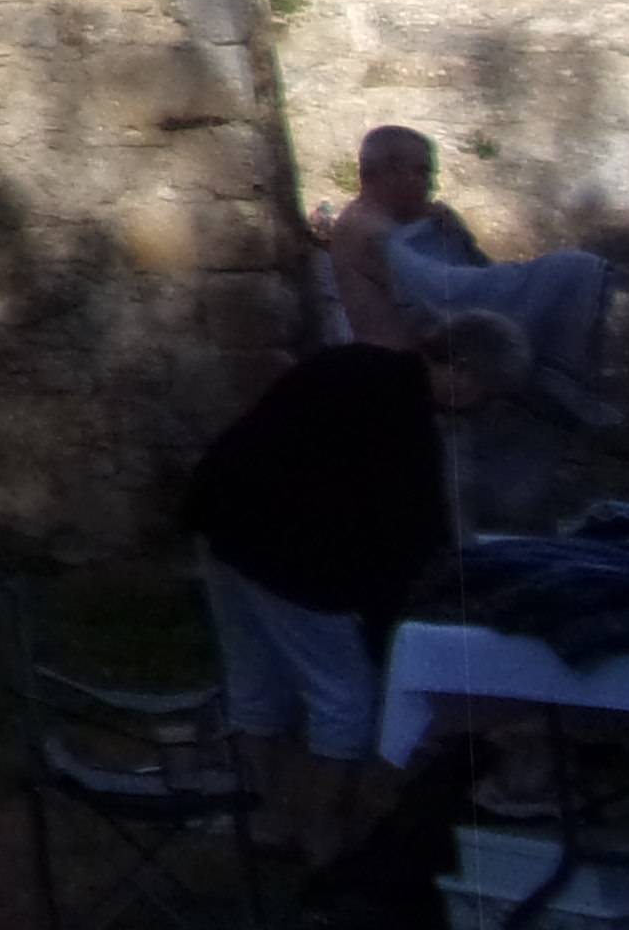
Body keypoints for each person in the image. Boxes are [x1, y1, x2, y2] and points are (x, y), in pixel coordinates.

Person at [181, 308, 527, 869]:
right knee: (345, 701)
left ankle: (265, 822)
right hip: (282, 553)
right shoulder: (404, 419)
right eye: (484, 392)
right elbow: (407, 542)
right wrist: (395, 632)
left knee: (256, 687)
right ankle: (323, 838)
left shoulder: (354, 363)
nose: (477, 407)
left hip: (221, 522)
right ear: (461, 369)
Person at [327, 126, 612, 420]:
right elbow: (444, 292)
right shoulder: (366, 230)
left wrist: (455, 234)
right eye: (423, 172)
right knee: (570, 269)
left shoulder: (394, 221)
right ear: (392, 171)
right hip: (401, 374)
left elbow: (470, 268)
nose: (431, 184)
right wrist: (554, 275)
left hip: (430, 363)